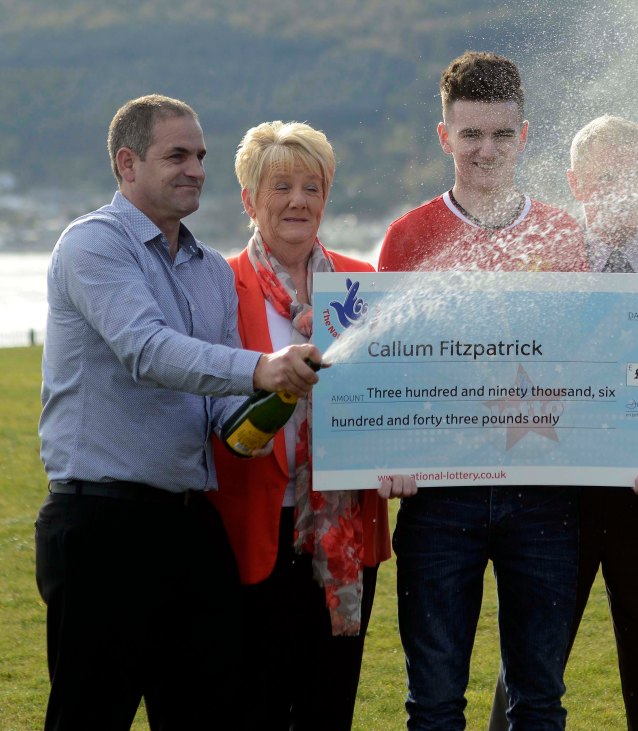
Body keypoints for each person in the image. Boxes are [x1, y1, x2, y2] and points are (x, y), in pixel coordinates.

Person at [35, 95, 321, 731]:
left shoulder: (211, 272)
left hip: (192, 526)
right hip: (100, 524)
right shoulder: (92, 245)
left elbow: (226, 419)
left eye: (200, 156)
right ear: (127, 163)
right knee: (89, 714)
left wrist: (282, 395)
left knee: (208, 716)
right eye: (177, 155)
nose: (195, 168)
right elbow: (146, 350)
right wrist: (261, 367)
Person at [488, 114, 638, 731]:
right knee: (525, 688)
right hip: (550, 504)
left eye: (630, 175)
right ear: (573, 181)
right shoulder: (532, 260)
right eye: (601, 178)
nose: (616, 189)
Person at [378, 51, 588, 730]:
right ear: (445, 137)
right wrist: (389, 448)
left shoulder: (561, 231)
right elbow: (386, 365)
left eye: (501, 134)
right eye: (470, 134)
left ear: (524, 135)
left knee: (540, 698)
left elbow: (589, 358)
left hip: (546, 493)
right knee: (434, 701)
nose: (486, 149)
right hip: (438, 496)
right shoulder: (409, 236)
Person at [208, 120, 402, 731]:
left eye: (312, 187)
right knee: (253, 703)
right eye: (280, 186)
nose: (298, 200)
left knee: (330, 701)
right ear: (248, 200)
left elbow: (395, 392)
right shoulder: (220, 284)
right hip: (250, 525)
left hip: (343, 526)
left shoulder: (361, 282)